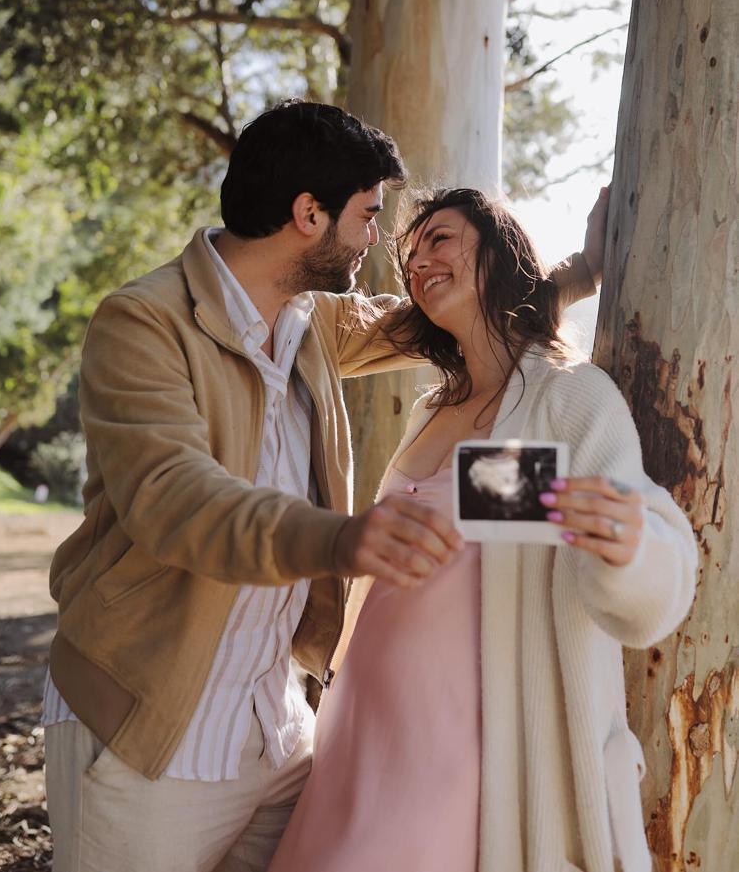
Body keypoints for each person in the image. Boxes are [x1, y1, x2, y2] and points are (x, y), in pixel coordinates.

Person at [41, 103, 600, 872]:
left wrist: (582, 271)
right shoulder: (143, 323)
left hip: (288, 737)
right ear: (309, 213)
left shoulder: (325, 328)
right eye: (370, 217)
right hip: (149, 733)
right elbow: (176, 499)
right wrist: (339, 537)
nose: (381, 243)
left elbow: (451, 311)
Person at [267, 188, 697, 872]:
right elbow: (465, 528)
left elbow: (653, 563)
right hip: (358, 733)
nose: (419, 261)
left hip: (462, 754)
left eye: (440, 238)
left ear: (497, 251)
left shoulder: (563, 398)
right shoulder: (439, 407)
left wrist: (631, 548)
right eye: (410, 254)